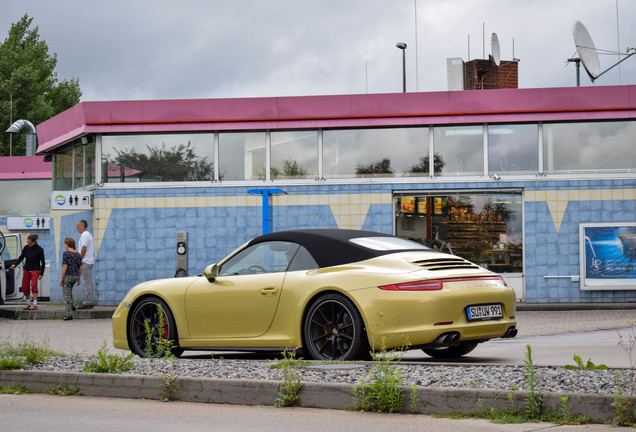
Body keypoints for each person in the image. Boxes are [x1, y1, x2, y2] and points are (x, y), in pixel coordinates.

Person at [9, 233, 45, 310]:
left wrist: (41, 273)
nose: (28, 244)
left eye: (29, 242)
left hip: (35, 269)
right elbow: (21, 257)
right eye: (27, 242)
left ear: (34, 242)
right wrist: (15, 264)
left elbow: (43, 262)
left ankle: (35, 304)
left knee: (34, 285)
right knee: (25, 286)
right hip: (27, 269)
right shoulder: (26, 248)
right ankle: (28, 303)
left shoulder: (39, 249)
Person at [59, 237, 82, 321]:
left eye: (64, 244)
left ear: (67, 244)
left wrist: (61, 278)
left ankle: (68, 315)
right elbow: (80, 267)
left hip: (68, 277)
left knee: (66, 296)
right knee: (69, 292)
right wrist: (79, 278)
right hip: (75, 277)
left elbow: (65, 266)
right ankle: (72, 306)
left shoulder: (66, 253)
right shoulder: (78, 254)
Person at [76, 220, 95, 309]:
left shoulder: (84, 235)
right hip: (89, 261)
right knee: (88, 282)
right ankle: (89, 301)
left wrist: (79, 259)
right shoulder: (88, 235)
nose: (77, 228)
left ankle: (88, 302)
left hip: (86, 261)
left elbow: (83, 248)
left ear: (82, 226)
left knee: (86, 282)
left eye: (78, 226)